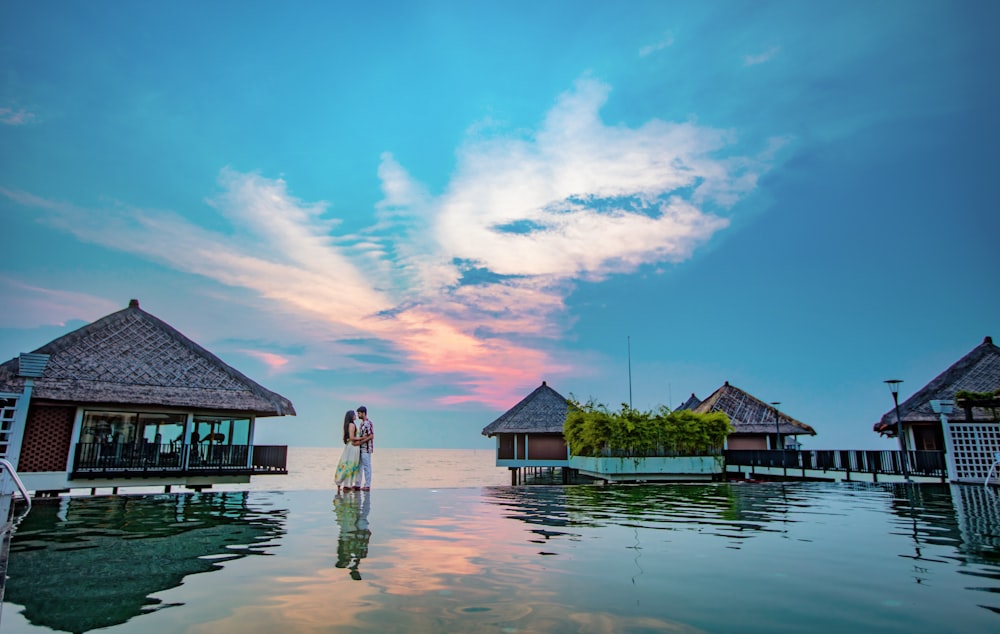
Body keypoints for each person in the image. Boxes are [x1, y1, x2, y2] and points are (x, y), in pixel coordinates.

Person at [334, 410, 362, 492]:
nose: (355, 416)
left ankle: (343, 483)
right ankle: (346, 484)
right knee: (350, 464)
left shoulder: (349, 425)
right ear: (351, 416)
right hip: (353, 447)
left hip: (350, 446)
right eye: (354, 415)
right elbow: (352, 437)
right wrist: (362, 438)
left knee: (347, 463)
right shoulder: (352, 425)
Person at [356, 405, 375, 490]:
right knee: (360, 467)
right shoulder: (361, 424)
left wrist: (362, 441)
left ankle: (367, 485)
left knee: (367, 467)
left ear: (363, 413)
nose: (358, 415)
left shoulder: (368, 423)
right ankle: (358, 484)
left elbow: (371, 436)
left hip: (366, 449)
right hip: (361, 449)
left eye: (359, 413)